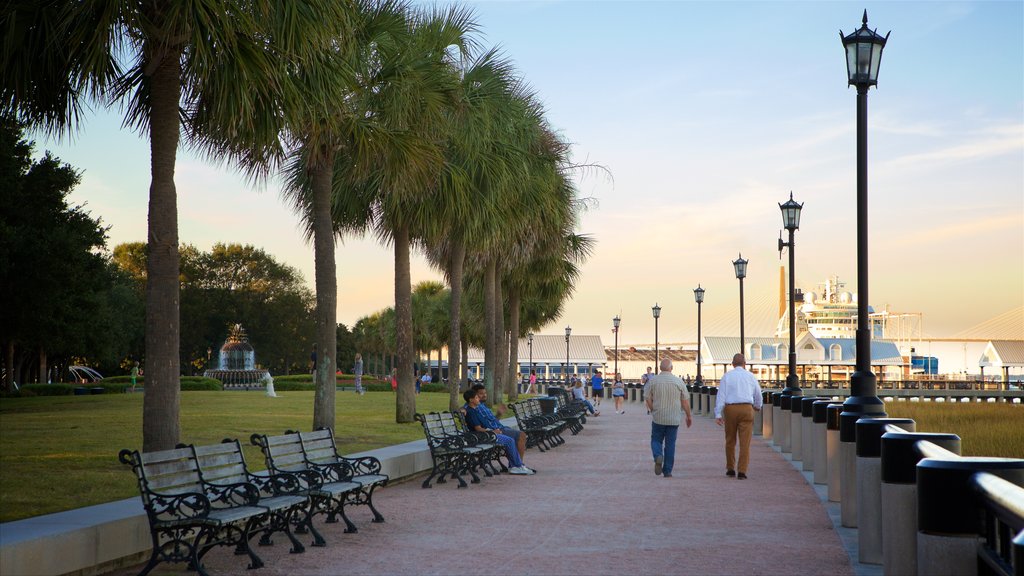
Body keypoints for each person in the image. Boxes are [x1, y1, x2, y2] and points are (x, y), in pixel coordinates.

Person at [463, 388, 534, 475]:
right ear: (471, 400)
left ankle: (518, 465)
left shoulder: (476, 409)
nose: (480, 398)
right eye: (477, 397)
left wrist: (497, 420)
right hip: (483, 436)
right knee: (509, 440)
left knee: (512, 439)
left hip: (488, 433)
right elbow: (478, 428)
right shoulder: (471, 411)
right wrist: (492, 431)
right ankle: (516, 466)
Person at [715, 353, 763, 480]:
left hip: (730, 409)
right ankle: (742, 471)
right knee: (745, 442)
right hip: (747, 408)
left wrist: (718, 413)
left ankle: (730, 468)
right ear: (745, 364)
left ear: (732, 364)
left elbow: (721, 396)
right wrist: (758, 406)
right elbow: (758, 393)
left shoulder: (727, 376)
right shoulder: (751, 376)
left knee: (730, 440)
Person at [644, 359, 692, 478]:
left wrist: (652, 409)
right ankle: (668, 471)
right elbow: (685, 401)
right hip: (674, 418)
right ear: (671, 368)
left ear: (660, 368)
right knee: (670, 444)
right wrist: (688, 415)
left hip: (658, 417)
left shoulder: (653, 381)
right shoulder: (678, 382)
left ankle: (657, 455)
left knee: (656, 440)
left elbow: (647, 398)